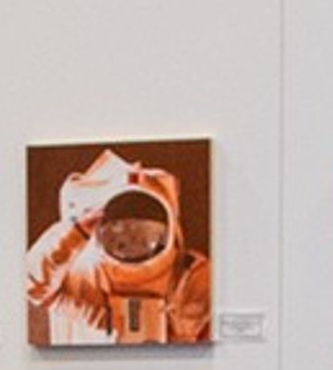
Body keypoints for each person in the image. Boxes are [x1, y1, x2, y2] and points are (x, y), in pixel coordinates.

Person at [23, 148, 212, 346]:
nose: (132, 238)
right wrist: (74, 233)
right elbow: (32, 284)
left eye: (145, 231)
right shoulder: (79, 274)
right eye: (120, 230)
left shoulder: (193, 279)